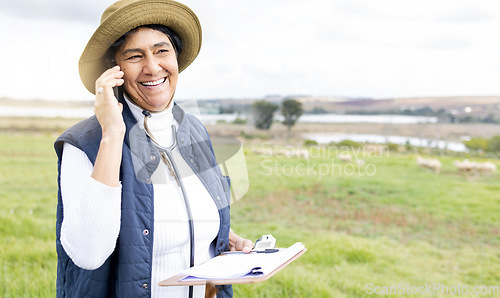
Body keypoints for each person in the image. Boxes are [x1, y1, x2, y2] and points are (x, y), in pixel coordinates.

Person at [54, 0, 253, 297]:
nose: (152, 67)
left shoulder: (194, 129)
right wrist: (112, 133)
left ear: (176, 57)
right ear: (114, 69)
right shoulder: (85, 143)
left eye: (162, 51)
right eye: (134, 56)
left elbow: (173, 220)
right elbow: (89, 254)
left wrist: (218, 237)